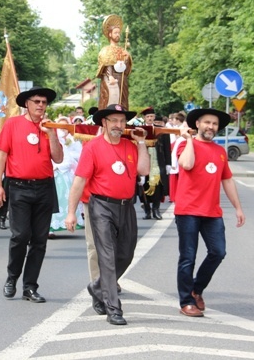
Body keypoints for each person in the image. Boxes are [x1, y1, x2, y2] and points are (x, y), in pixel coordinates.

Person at [65, 104, 149, 325]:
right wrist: (71, 212)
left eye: (122, 121)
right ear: (104, 122)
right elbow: (79, 181)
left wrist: (141, 143)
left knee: (126, 254)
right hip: (101, 206)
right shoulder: (92, 147)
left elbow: (144, 170)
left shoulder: (130, 146)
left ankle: (96, 286)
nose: (119, 126)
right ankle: (113, 308)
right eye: (114, 121)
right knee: (108, 257)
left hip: (127, 206)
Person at [0, 87, 63, 303]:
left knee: (39, 240)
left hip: (44, 188)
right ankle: (12, 277)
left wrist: (50, 133)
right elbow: (1, 156)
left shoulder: (51, 127)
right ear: (27, 104)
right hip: (19, 187)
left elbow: (58, 158)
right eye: (37, 101)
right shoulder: (13, 124)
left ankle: (30, 286)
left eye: (44, 102)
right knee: (20, 235)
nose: (41, 105)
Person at [175, 108, 246, 317]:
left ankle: (197, 289)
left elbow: (227, 180)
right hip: (188, 210)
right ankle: (186, 301)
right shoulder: (184, 145)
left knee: (218, 252)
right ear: (197, 124)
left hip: (212, 212)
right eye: (207, 123)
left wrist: (238, 208)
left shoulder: (219, 151)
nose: (211, 127)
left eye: (214, 124)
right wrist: (188, 140)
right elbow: (186, 164)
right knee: (187, 256)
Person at [50, 116, 83, 237]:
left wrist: (59, 167)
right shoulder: (51, 140)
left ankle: (64, 222)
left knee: (62, 200)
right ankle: (50, 227)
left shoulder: (71, 140)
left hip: (63, 175)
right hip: (51, 175)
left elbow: (70, 158)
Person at [95, 14, 132, 110]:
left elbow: (126, 70)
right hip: (111, 79)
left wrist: (127, 58)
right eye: (115, 33)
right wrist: (110, 76)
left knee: (122, 102)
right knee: (111, 100)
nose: (118, 35)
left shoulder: (122, 50)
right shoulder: (106, 50)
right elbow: (106, 65)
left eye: (119, 33)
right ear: (110, 34)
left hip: (122, 79)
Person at [139, 107, 170, 220]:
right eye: (148, 117)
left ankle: (156, 210)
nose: (150, 118)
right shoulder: (139, 130)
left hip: (158, 162)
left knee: (158, 188)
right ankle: (147, 210)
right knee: (144, 187)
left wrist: (168, 163)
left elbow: (167, 147)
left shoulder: (161, 130)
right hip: (144, 162)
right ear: (144, 118)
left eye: (152, 116)